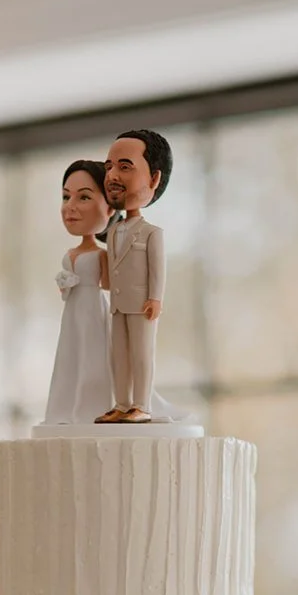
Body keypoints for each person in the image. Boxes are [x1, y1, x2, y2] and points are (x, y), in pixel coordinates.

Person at [96, 129, 172, 425]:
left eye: (125, 167)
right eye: (109, 167)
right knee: (119, 356)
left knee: (141, 355)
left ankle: (141, 404)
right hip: (117, 304)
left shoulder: (152, 233)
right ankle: (122, 403)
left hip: (142, 305)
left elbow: (158, 268)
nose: (112, 176)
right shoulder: (114, 229)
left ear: (154, 179)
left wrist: (155, 298)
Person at [42, 160, 115, 425]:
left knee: (93, 354)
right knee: (71, 355)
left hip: (93, 308)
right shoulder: (71, 252)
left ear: (109, 208)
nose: (70, 206)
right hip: (72, 309)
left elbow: (108, 285)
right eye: (66, 197)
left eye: (83, 197)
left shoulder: (101, 254)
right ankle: (66, 406)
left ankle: (93, 405)